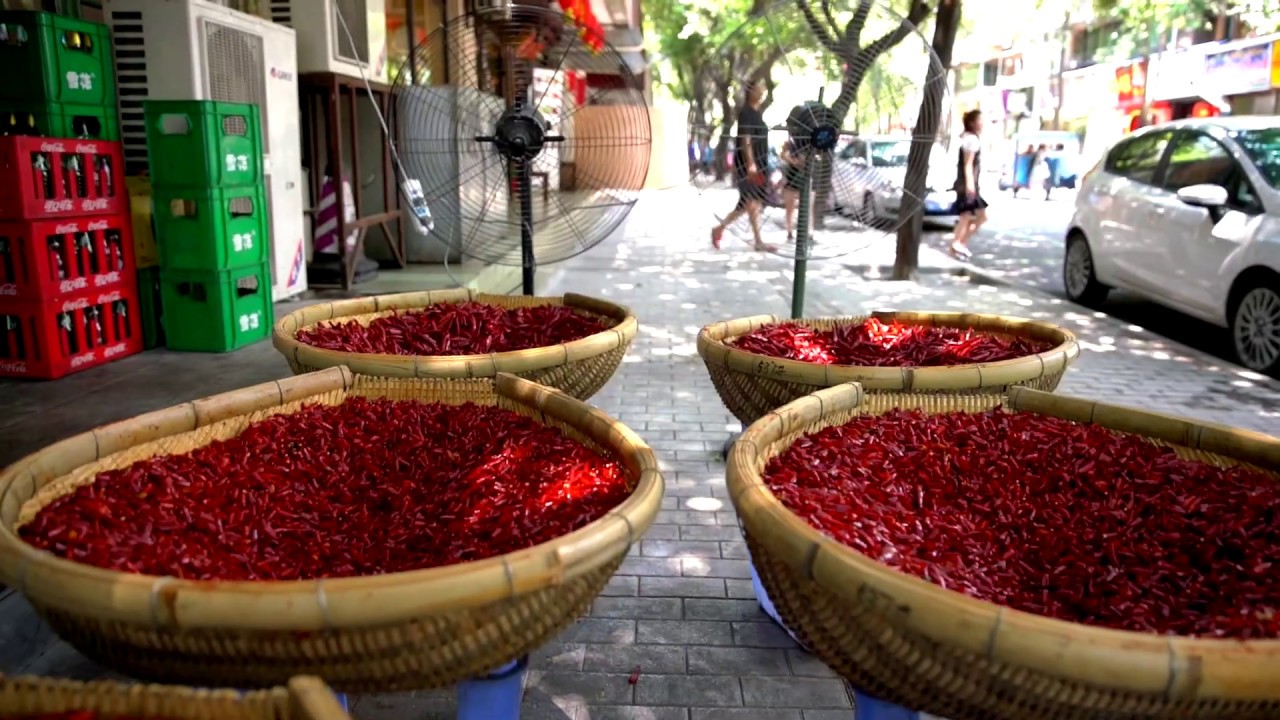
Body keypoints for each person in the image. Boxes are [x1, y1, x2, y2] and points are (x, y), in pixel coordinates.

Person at [711, 79, 773, 252]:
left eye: (763, 89)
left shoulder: (757, 113)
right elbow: (746, 139)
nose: (762, 92)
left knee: (750, 203)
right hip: (748, 166)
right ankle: (757, 241)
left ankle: (719, 229)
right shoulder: (746, 113)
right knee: (750, 202)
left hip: (760, 164)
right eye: (759, 88)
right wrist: (751, 163)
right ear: (750, 91)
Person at [949, 109, 987, 260]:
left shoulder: (970, 138)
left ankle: (958, 245)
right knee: (967, 216)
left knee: (978, 216)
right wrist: (970, 186)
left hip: (969, 183)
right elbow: (967, 164)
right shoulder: (971, 140)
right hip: (968, 184)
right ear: (972, 123)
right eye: (980, 120)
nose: (982, 123)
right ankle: (958, 244)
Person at [779, 138, 809, 242]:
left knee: (806, 208)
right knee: (789, 208)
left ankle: (806, 232)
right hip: (791, 180)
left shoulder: (809, 143)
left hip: (804, 182)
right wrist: (791, 159)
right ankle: (789, 232)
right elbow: (783, 156)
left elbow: (805, 163)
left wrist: (792, 160)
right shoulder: (789, 143)